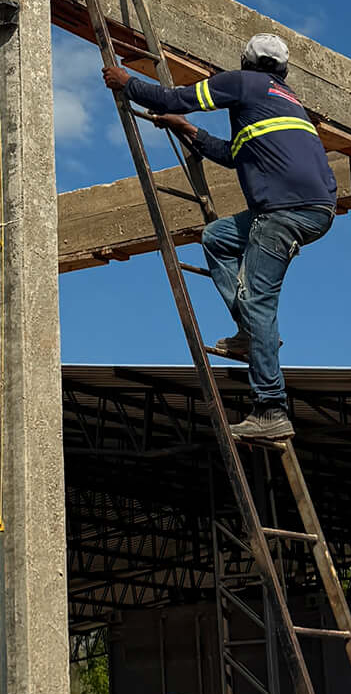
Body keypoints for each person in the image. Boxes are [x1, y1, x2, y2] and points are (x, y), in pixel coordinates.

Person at [102, 31, 335, 441]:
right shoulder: (286, 101)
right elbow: (234, 154)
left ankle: (270, 408)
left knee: (260, 303)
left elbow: (175, 98)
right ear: (283, 69)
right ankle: (249, 332)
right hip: (313, 209)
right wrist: (189, 132)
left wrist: (129, 84)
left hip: (282, 211)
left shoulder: (243, 82)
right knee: (217, 237)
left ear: (246, 62)